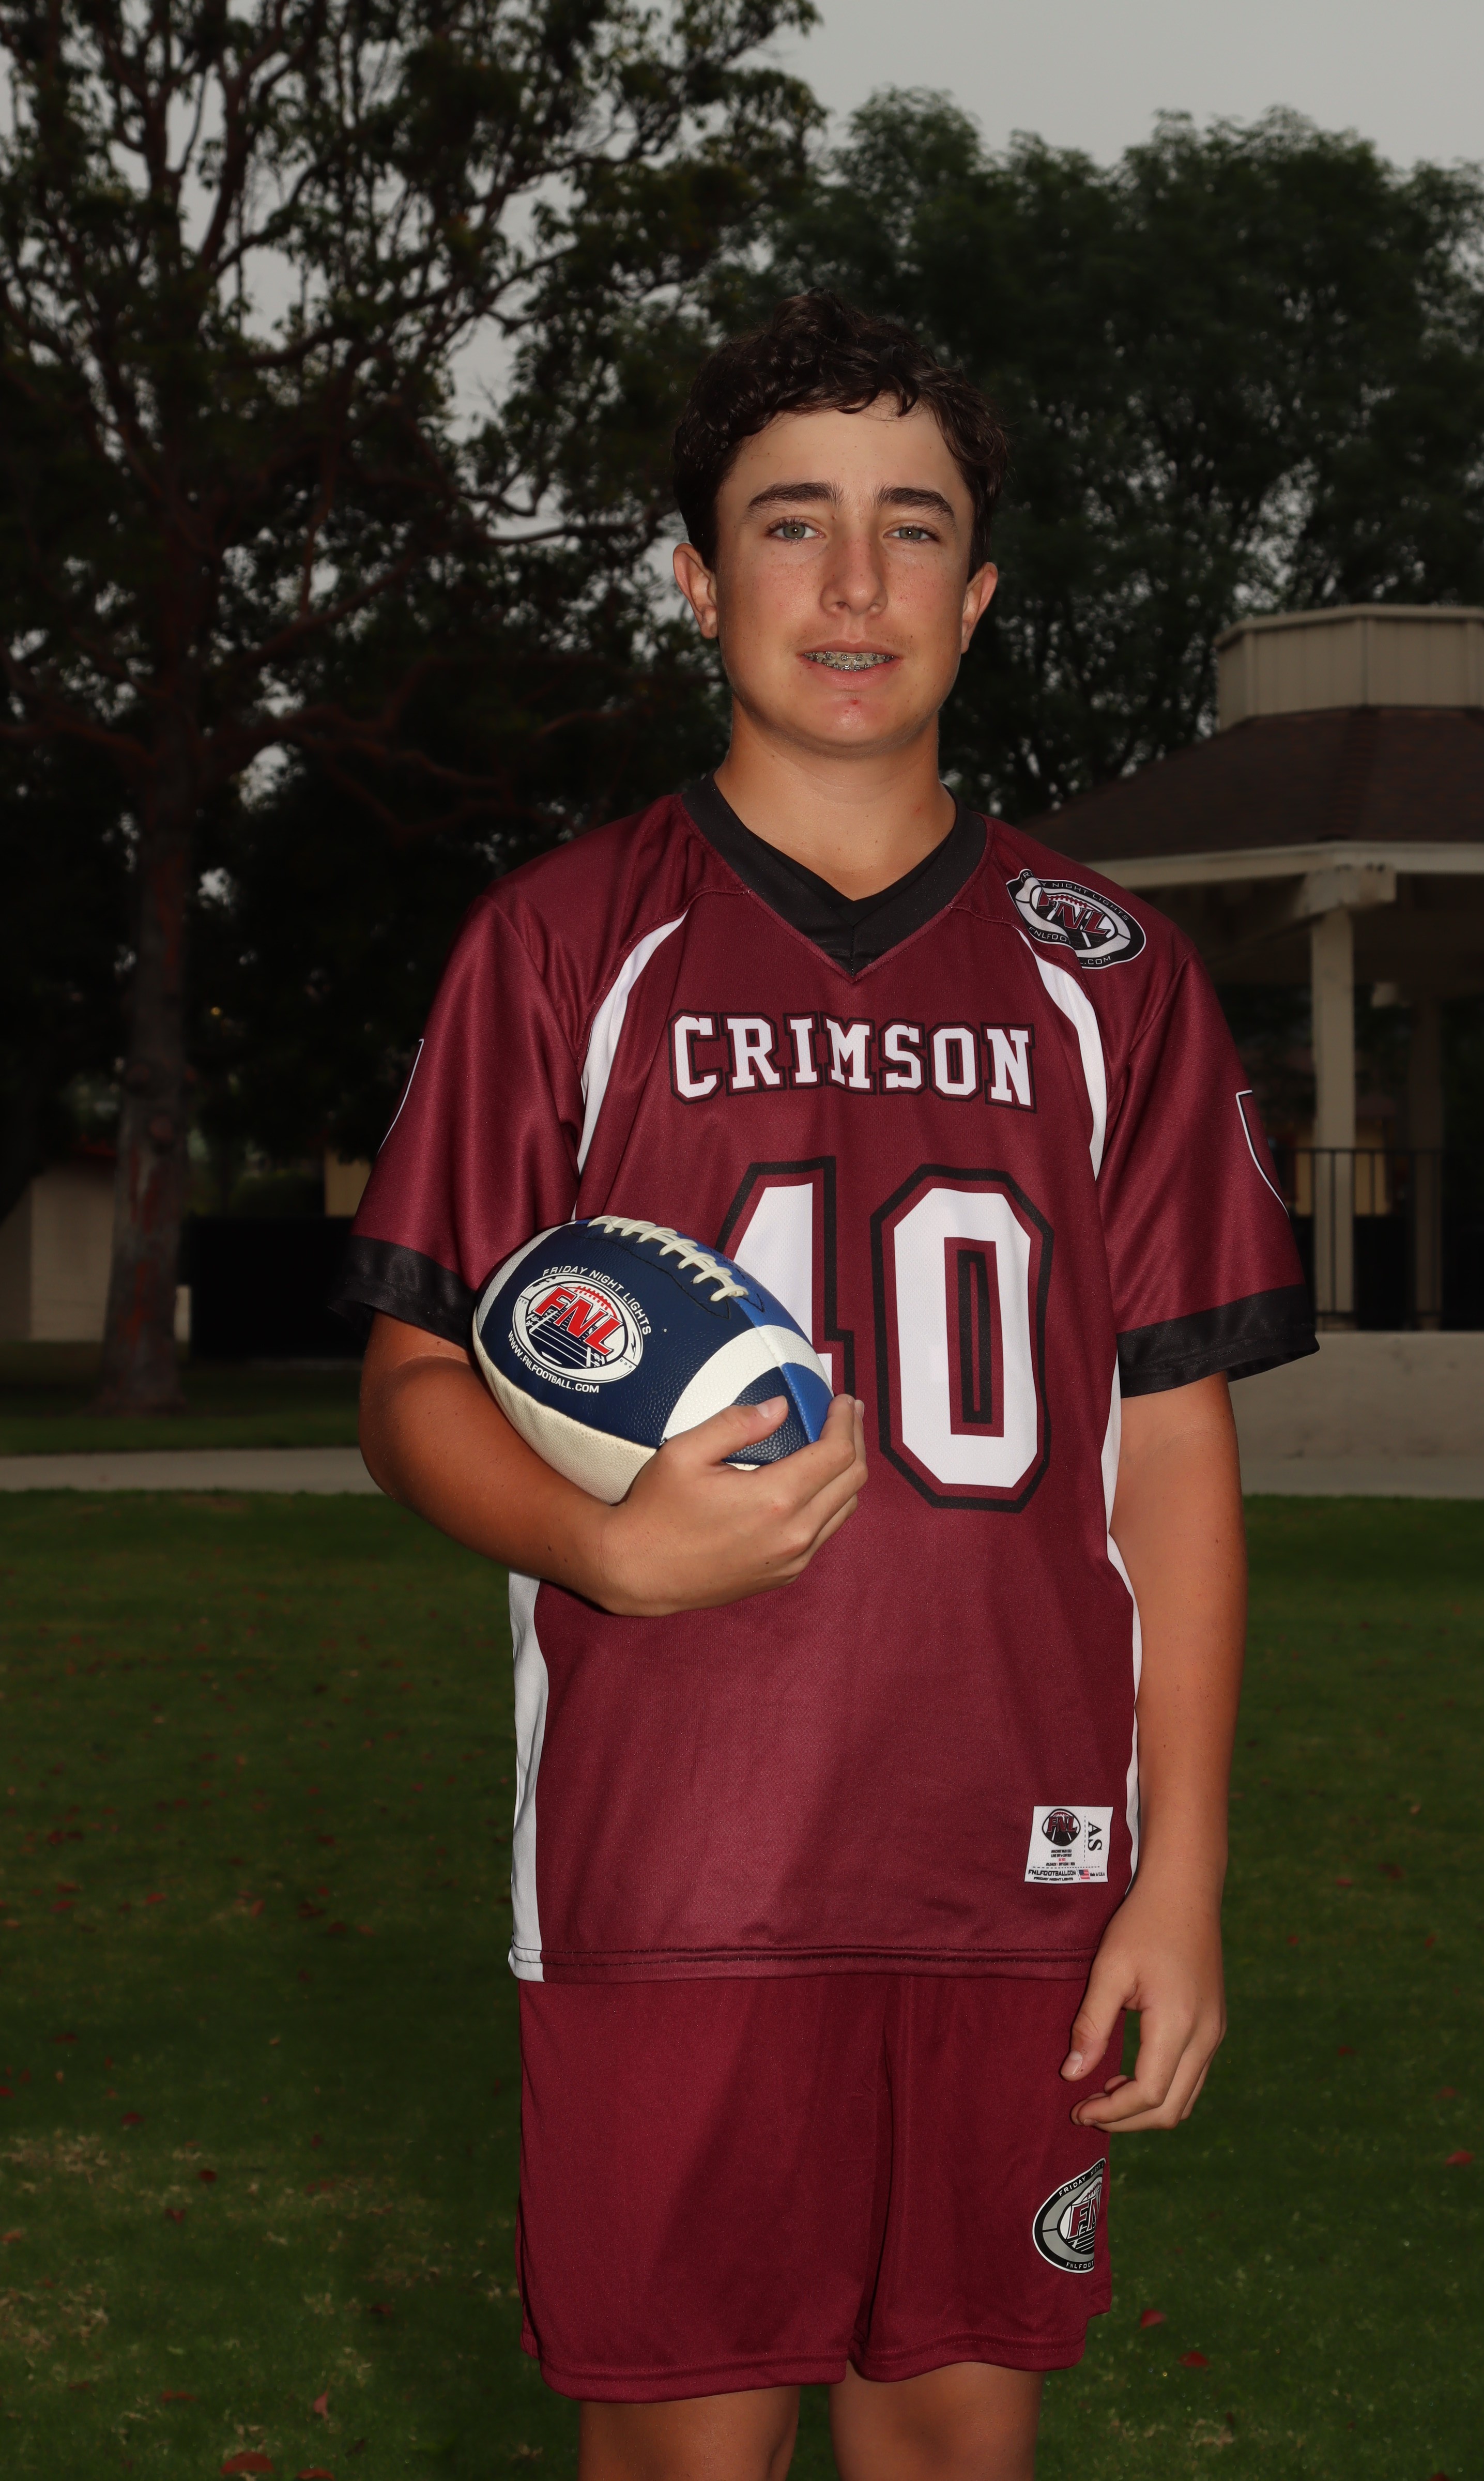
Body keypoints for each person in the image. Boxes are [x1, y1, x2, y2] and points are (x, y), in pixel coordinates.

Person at [335, 290, 1314, 2481]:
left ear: (979, 594)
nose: (853, 583)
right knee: (682, 2457)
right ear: (699, 582)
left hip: (1019, 1863)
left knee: (958, 2444)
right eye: (791, 524)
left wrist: (1179, 1877)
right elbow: (411, 1386)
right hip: (673, 1858)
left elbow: (1168, 1450)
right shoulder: (563, 945)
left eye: (910, 528)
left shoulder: (1114, 981)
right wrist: (600, 1544)